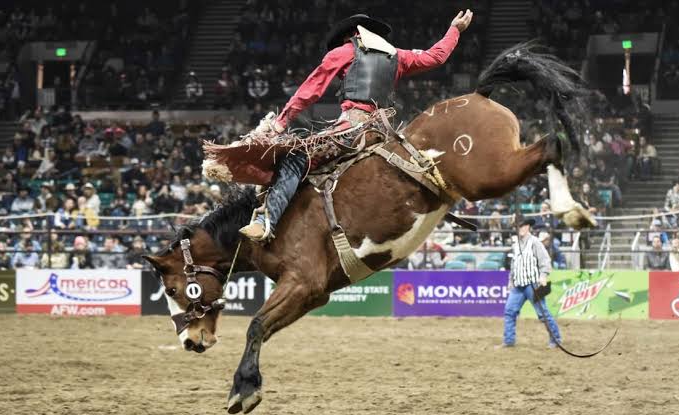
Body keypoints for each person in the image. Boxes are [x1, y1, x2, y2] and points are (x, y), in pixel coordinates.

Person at [239, 10, 474, 241]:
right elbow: (435, 57)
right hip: (385, 133)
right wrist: (455, 30)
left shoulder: (344, 51)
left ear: (350, 35)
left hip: (351, 130)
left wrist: (281, 122)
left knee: (296, 158)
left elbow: (311, 90)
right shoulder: (397, 55)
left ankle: (265, 220)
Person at [500, 215, 561, 348]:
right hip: (518, 285)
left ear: (528, 227)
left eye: (522, 225)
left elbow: (545, 260)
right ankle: (509, 340)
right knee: (510, 311)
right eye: (518, 226)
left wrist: (543, 275)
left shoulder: (535, 242)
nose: (520, 228)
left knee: (543, 314)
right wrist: (511, 281)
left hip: (533, 284)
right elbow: (514, 265)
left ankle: (556, 339)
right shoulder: (516, 245)